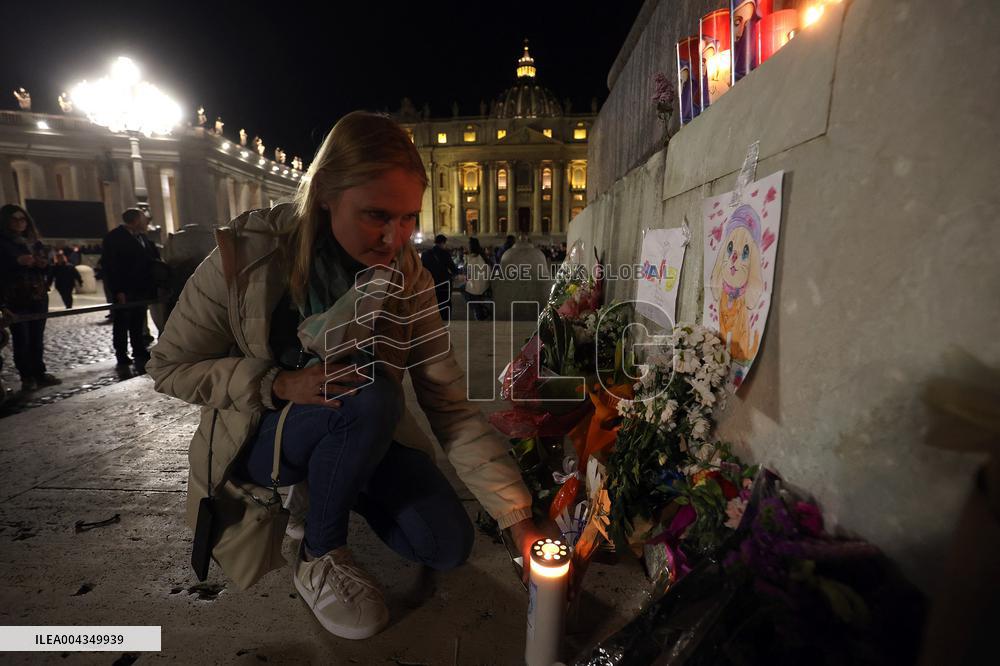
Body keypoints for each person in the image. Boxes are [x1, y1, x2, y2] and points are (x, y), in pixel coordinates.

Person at [146, 112, 552, 641]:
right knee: (370, 393)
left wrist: (516, 516)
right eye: (376, 215)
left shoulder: (408, 277)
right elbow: (168, 368)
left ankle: (339, 474)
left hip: (355, 424)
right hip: (260, 434)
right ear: (323, 195)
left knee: (447, 546)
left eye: (408, 218)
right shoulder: (243, 258)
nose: (394, 237)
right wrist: (275, 383)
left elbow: (447, 404)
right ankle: (318, 549)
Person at [0, 204, 61, 391]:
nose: (20, 223)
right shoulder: (3, 243)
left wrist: (44, 264)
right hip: (16, 297)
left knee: (37, 337)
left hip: (38, 295)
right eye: (15, 219)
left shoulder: (35, 242)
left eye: (23, 219)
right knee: (22, 338)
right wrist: (16, 262)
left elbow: (48, 266)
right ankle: (26, 376)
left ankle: (39, 372)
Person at [101, 208, 160, 377]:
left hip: (141, 288)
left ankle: (139, 350)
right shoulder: (114, 238)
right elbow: (111, 266)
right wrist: (118, 290)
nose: (146, 222)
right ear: (135, 220)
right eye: (143, 219)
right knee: (122, 322)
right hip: (125, 289)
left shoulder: (142, 237)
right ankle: (121, 354)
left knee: (138, 320)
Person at [420, 233, 457, 320]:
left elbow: (422, 269)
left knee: (433, 303)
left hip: (431, 283)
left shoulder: (425, 254)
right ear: (443, 243)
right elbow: (453, 268)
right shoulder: (445, 254)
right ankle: (445, 322)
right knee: (445, 303)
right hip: (444, 283)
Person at [463, 237, 492, 321]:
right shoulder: (481, 255)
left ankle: (480, 314)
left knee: (472, 299)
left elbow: (469, 272)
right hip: (483, 284)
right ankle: (481, 310)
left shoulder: (473, 258)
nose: (467, 246)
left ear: (471, 246)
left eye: (468, 245)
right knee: (475, 299)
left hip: (476, 285)